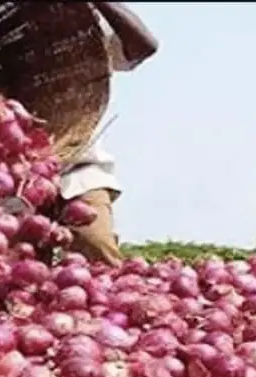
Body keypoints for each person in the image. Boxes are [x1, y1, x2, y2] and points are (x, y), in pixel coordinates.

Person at [57, 2, 158, 267]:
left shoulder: (79, 31)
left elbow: (143, 47)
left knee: (97, 250)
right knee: (13, 276)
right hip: (17, 183)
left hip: (78, 171)